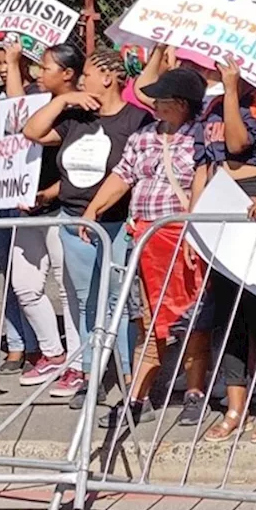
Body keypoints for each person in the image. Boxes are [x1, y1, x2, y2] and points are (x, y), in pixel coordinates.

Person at [23, 44, 151, 403]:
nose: (81, 81)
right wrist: (64, 101)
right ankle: (92, 374)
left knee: (120, 302)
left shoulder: (134, 121)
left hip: (116, 225)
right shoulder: (77, 117)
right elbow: (32, 132)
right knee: (86, 301)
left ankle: (131, 382)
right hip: (73, 222)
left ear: (108, 79)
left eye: (88, 76)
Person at [86, 66, 209, 429]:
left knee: (192, 319)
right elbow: (123, 175)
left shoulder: (200, 139)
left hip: (184, 240)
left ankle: (194, 391)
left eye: (162, 100)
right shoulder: (143, 137)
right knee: (147, 320)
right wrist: (95, 208)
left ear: (182, 104)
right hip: (144, 242)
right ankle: (138, 397)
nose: (153, 105)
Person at [189, 54, 256, 445]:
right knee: (225, 314)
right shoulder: (211, 106)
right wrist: (193, 225)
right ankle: (234, 406)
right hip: (218, 201)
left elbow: (238, 143)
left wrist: (233, 90)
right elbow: (203, 165)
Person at [0, 40, 72, 387]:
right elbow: (18, 120)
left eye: (48, 67)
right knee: (25, 286)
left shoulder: (72, 107)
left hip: (60, 209)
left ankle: (78, 364)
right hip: (25, 206)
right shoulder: (25, 97)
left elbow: (29, 128)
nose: (43, 72)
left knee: (68, 290)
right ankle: (53, 353)